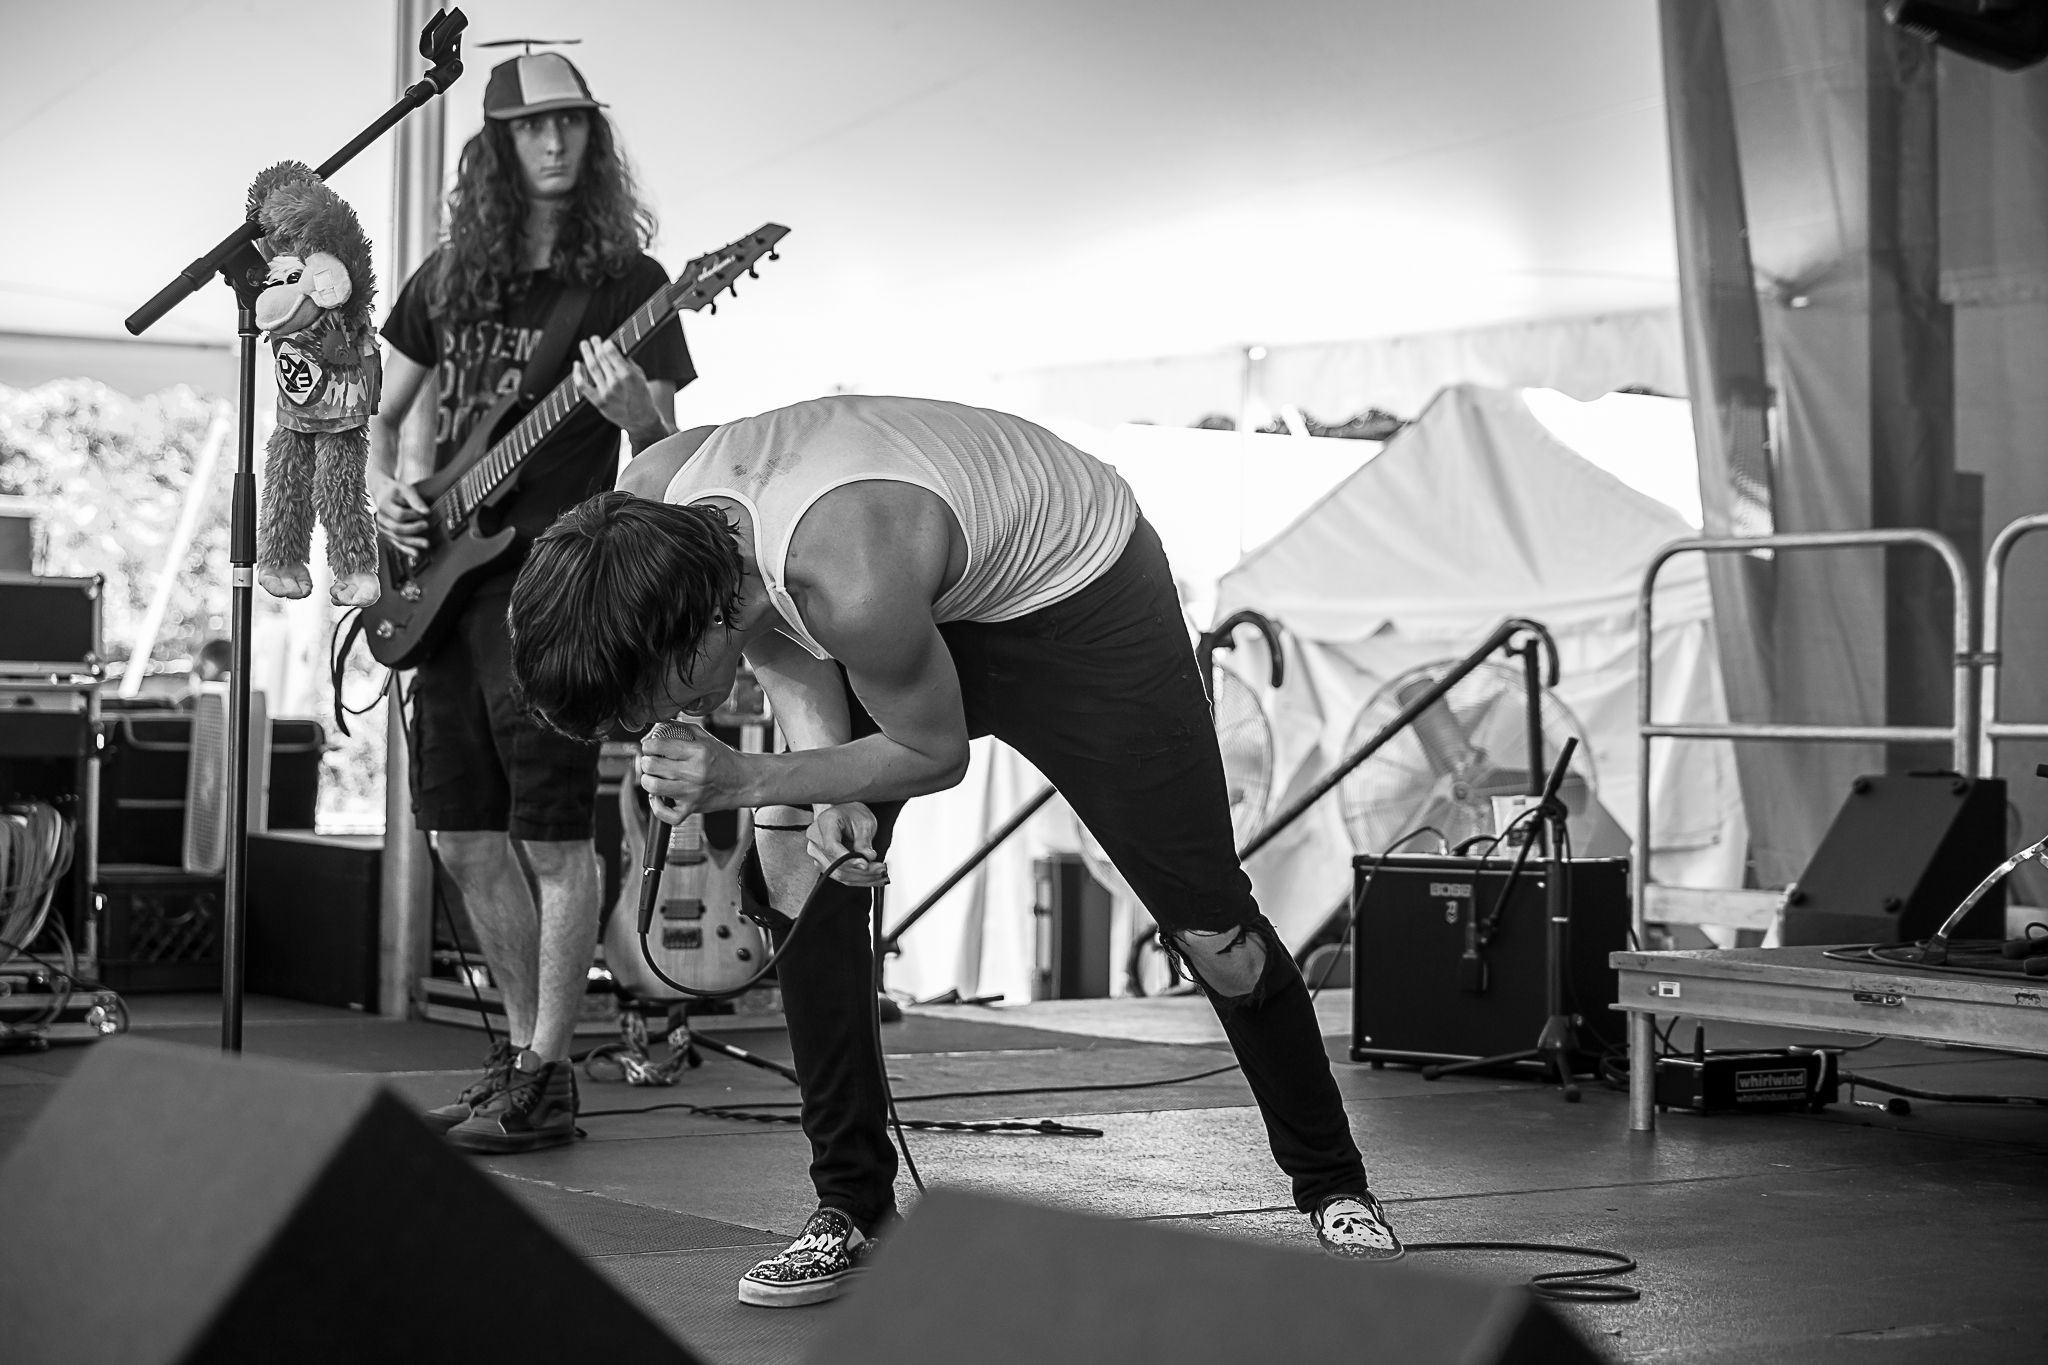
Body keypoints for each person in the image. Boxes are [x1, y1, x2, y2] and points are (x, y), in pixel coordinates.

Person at [505, 394, 1403, 1305]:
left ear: (695, 626)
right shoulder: (656, 505)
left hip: (1079, 599)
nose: (654, 722)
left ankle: (1334, 1183)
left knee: (1215, 933)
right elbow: (769, 624)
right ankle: (851, 1207)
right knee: (803, 872)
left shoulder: (850, 579)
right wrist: (828, 797)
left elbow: (934, 753)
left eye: (649, 699)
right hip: (913, 589)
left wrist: (747, 780)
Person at [368, 51, 695, 1154]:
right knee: (461, 837)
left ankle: (551, 1073)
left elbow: (669, 455)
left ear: (591, 138)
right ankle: (517, 1059)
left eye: (570, 124)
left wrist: (634, 411)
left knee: (551, 836)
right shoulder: (450, 275)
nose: (553, 142)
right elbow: (377, 419)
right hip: (440, 587)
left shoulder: (632, 282)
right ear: (497, 146)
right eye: (530, 127)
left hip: (555, 591)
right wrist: (386, 491)